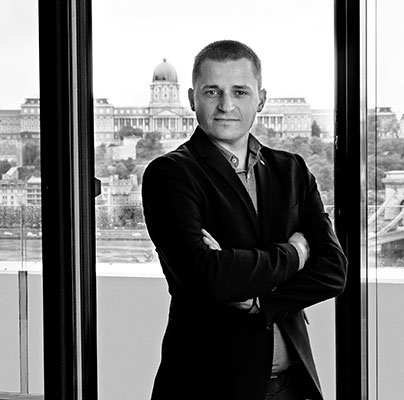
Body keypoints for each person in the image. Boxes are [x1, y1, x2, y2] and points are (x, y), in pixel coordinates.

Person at [142, 40, 347, 400]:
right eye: (212, 92)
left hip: (293, 387)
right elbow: (210, 278)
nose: (226, 105)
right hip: (207, 387)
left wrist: (259, 301)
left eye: (240, 91)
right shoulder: (169, 174)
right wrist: (296, 254)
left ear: (261, 100)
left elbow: (333, 271)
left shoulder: (292, 170)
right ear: (192, 99)